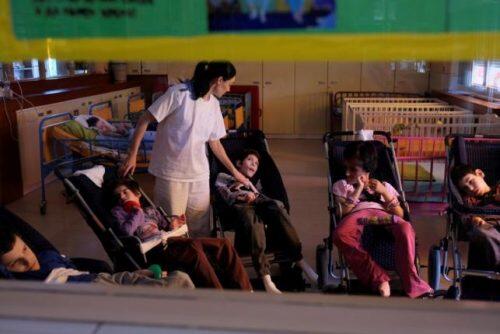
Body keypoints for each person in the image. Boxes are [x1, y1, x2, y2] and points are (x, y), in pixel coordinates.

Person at [121, 61, 249, 238]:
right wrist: (132, 155)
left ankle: (199, 262)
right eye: (229, 84)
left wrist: (235, 172)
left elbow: (215, 143)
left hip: (199, 175)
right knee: (172, 228)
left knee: (200, 229)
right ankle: (175, 264)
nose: (229, 89)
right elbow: (144, 119)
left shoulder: (213, 105)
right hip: (171, 174)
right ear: (219, 80)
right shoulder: (179, 93)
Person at [106, 178, 253, 291]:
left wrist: (174, 225)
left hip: (170, 241)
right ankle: (218, 298)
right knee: (193, 247)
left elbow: (166, 226)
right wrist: (136, 211)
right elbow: (126, 232)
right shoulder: (119, 213)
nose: (122, 197)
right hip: (155, 250)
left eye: (125, 192)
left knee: (223, 244)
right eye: (118, 196)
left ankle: (247, 293)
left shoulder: (151, 210)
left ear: (137, 193)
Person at [331, 142, 432, 298]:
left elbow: (401, 214)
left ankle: (413, 283)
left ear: (367, 171)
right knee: (340, 234)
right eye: (346, 168)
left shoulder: (383, 186)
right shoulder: (342, 186)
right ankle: (379, 279)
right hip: (357, 214)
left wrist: (384, 192)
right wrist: (358, 189)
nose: (346, 172)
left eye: (352, 169)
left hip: (382, 213)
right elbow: (342, 213)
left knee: (405, 228)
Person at [215, 149, 317, 294]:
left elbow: (261, 197)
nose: (254, 164)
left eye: (256, 163)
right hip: (239, 207)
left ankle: (298, 259)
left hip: (257, 202)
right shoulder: (223, 176)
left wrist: (254, 193)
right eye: (250, 160)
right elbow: (224, 193)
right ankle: (266, 278)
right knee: (254, 222)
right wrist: (242, 194)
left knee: (278, 206)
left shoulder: (253, 183)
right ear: (238, 163)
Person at [0, 224, 194, 289]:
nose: (28, 261)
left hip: (102, 279)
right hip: (95, 293)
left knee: (164, 278)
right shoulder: (26, 286)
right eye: (17, 263)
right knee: (179, 280)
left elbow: (73, 267)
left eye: (25, 250)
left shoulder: (46, 256)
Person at [451, 164, 500, 270]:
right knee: (481, 231)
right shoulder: (471, 203)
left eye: (470, 181)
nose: (471, 189)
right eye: (465, 188)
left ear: (480, 173)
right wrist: (474, 219)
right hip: (487, 228)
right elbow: (463, 218)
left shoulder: (498, 188)